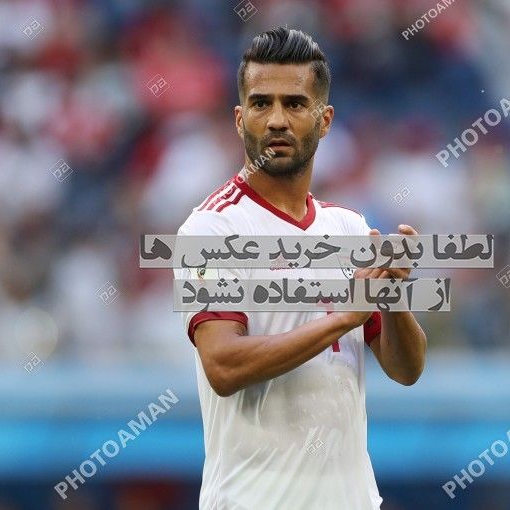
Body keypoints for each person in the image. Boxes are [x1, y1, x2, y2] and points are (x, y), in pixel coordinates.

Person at [173, 27, 427, 510]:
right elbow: (223, 365)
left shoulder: (349, 228)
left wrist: (394, 297)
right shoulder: (211, 229)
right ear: (239, 119)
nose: (276, 120)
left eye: (294, 104)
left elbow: (406, 369)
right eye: (260, 103)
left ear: (324, 119)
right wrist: (343, 318)